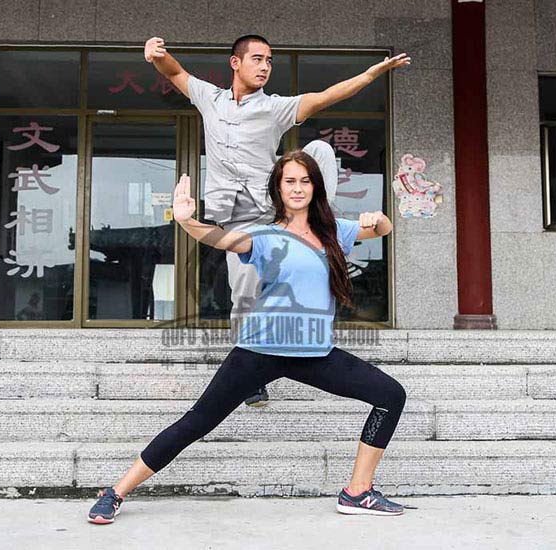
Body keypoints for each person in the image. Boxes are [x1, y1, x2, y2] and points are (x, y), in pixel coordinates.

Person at [87, 150, 406, 524]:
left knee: (390, 396)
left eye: (305, 180)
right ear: (278, 188)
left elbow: (383, 230)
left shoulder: (334, 230)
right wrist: (187, 220)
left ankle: (357, 491)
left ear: (315, 186)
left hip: (315, 352)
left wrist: (378, 217)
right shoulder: (266, 235)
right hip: (259, 349)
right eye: (290, 181)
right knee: (197, 421)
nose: (298, 188)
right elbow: (222, 240)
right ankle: (116, 491)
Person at [145, 34, 410, 405]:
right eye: (257, 59)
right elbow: (175, 73)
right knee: (244, 293)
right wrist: (156, 55)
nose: (266, 66)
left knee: (317, 151)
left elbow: (326, 97)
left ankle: (320, 222)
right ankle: (249, 375)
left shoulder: (275, 108)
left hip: (269, 210)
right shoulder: (210, 99)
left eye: (270, 60)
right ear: (236, 63)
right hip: (233, 218)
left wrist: (370, 74)